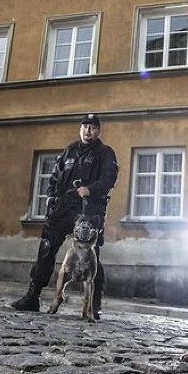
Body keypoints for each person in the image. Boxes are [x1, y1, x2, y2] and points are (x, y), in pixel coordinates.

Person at [11, 113, 118, 319]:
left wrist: (91, 189)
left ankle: (94, 305)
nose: (88, 130)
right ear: (80, 129)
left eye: (92, 127)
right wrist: (50, 196)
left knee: (90, 255)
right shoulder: (70, 150)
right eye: (85, 126)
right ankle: (33, 296)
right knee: (46, 248)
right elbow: (54, 176)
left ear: (98, 131)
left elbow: (109, 179)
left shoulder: (105, 153)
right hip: (64, 207)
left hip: (88, 210)